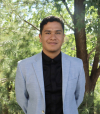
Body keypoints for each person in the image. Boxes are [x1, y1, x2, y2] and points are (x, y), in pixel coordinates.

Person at [15, 16, 85, 114]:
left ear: (63, 37)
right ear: (40, 37)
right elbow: (22, 99)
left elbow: (78, 97)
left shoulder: (77, 64)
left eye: (58, 32)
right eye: (48, 33)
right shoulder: (23, 66)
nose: (53, 37)